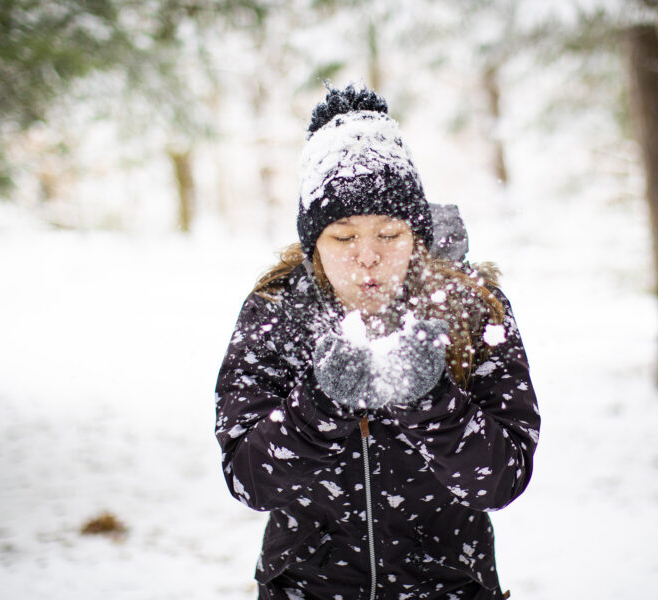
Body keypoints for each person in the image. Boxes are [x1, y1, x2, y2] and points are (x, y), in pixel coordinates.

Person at [215, 85, 540, 600]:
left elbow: (502, 480)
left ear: (417, 235)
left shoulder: (472, 311)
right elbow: (250, 480)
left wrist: (431, 400)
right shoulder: (275, 314)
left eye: (388, 235)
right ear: (312, 245)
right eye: (343, 237)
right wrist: (318, 406)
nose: (366, 257)